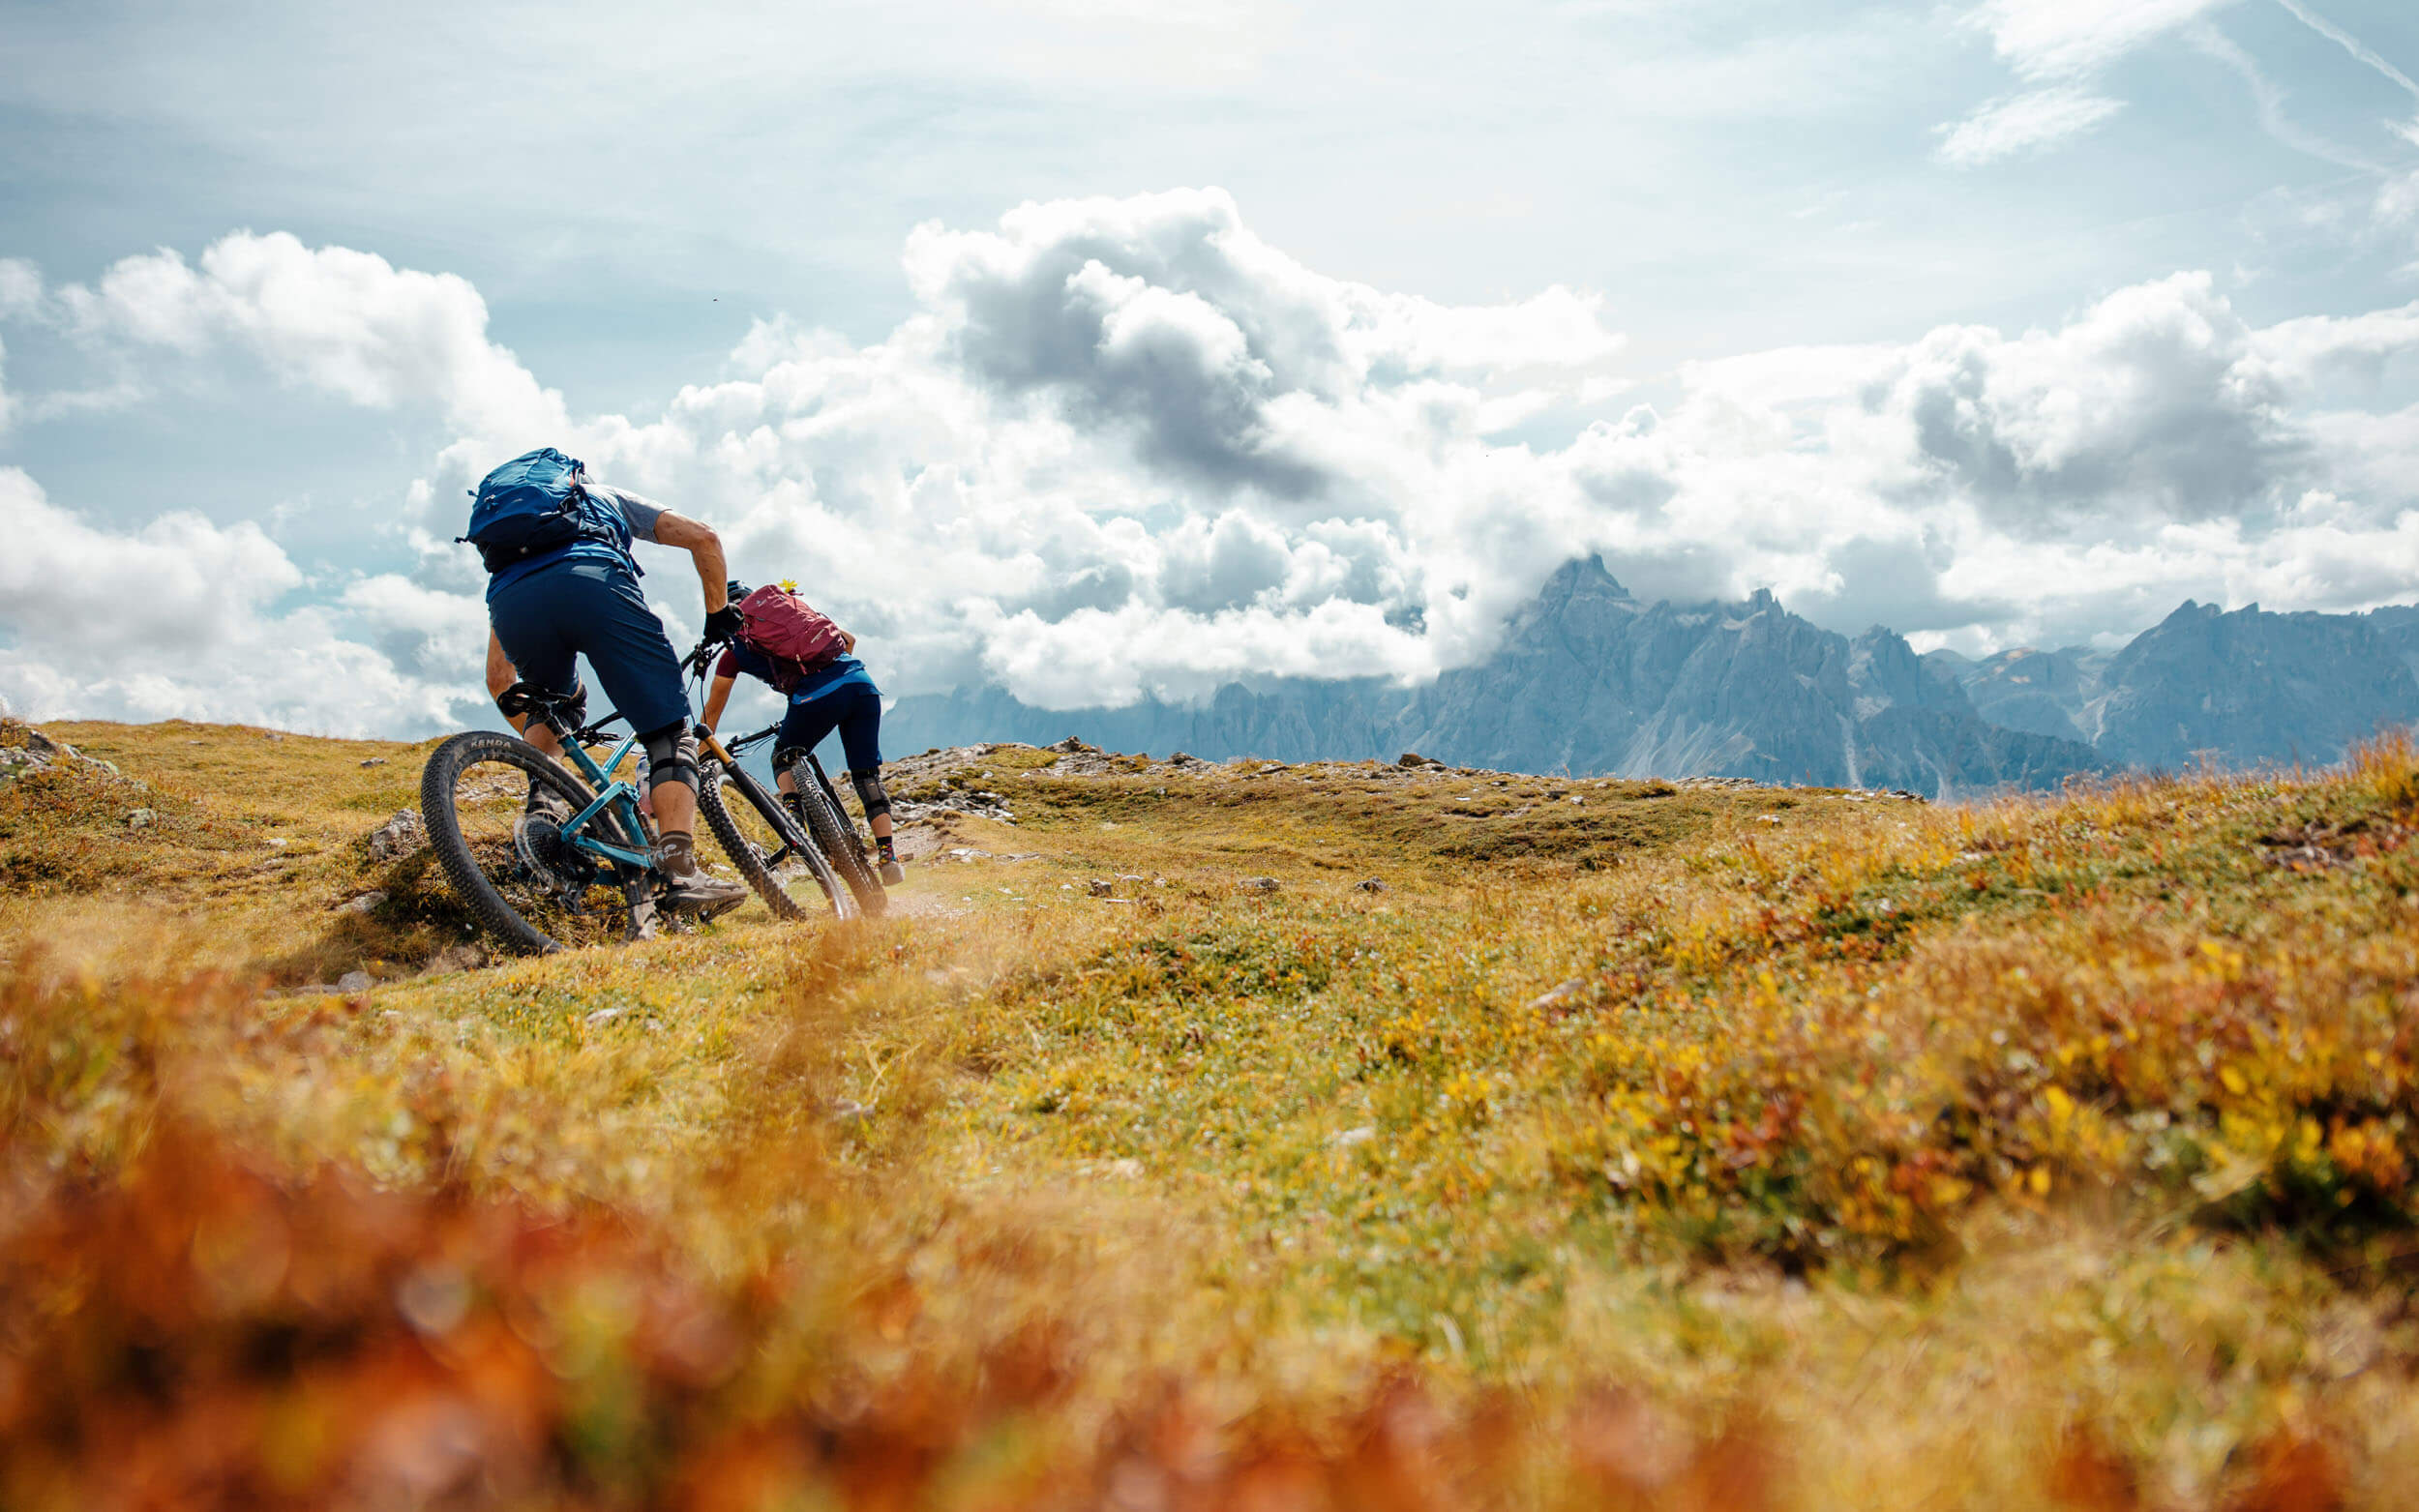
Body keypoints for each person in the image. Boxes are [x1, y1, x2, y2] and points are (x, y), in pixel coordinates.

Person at [470, 451, 747, 913]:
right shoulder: (600, 496)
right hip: (595, 583)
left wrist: (549, 730)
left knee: (557, 705)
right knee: (667, 734)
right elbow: (705, 538)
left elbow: (499, 679)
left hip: (511, 603)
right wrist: (718, 614)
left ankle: (542, 814)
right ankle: (679, 870)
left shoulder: (508, 556)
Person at [698, 580, 904, 885]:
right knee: (866, 775)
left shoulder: (736, 652)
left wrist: (699, 755)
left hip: (813, 699)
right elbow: (848, 639)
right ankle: (889, 857)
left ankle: (794, 817)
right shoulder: (794, 617)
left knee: (783, 756)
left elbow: (712, 711)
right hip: (861, 685)